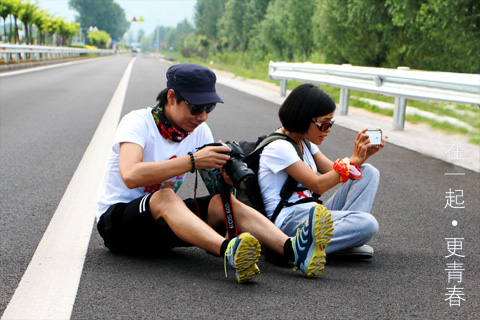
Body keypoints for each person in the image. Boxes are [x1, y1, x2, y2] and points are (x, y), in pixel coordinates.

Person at [96, 63, 334, 283]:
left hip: (162, 228)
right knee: (166, 196)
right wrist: (192, 161)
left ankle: (293, 250)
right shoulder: (138, 123)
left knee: (224, 202)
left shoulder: (200, 131)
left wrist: (226, 182)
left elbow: (218, 196)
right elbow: (130, 174)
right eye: (196, 107)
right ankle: (229, 251)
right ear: (171, 97)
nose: (203, 116)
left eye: (209, 108)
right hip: (119, 226)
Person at [258, 83, 384, 263]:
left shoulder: (306, 144)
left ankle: (341, 242)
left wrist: (363, 157)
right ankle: (292, 249)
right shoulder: (279, 147)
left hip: (312, 213)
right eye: (325, 124)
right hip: (289, 222)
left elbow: (336, 172)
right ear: (303, 118)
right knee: (367, 224)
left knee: (367, 172)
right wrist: (353, 159)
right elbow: (318, 184)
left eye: (331, 123)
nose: (329, 129)